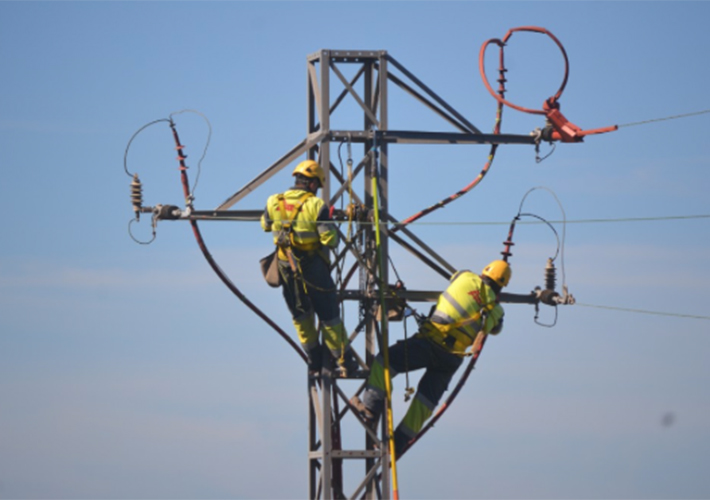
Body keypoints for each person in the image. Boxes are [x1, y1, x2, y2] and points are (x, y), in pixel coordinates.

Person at [351, 260, 511, 456]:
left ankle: (370, 409)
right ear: (502, 286)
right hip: (451, 360)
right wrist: (492, 300)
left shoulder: (466, 277)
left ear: (484, 272)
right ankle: (397, 445)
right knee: (424, 404)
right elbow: (496, 329)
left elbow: (455, 277)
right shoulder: (496, 312)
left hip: (430, 342)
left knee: (385, 362)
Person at [261, 159, 358, 376]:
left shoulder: (273, 201)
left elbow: (265, 225)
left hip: (286, 267)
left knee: (300, 315)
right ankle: (343, 360)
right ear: (313, 184)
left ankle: (314, 360)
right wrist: (330, 222)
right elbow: (330, 241)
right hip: (312, 268)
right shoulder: (316, 206)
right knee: (329, 315)